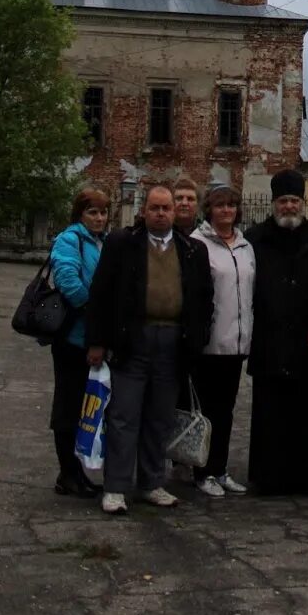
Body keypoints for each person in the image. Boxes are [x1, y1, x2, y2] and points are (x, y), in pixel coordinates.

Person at [85, 181, 213, 515]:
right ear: (144, 211)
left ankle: (152, 482)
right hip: (133, 341)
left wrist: (196, 342)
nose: (160, 213)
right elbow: (101, 294)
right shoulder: (122, 244)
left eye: (166, 208)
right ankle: (115, 487)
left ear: (176, 211)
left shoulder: (192, 250)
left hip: (173, 343)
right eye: (154, 208)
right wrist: (97, 342)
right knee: (124, 416)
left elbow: (203, 300)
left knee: (159, 417)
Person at [244, 169, 308, 496]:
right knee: (269, 411)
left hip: (307, 339)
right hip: (269, 336)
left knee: (305, 412)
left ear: (302, 203)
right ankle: (267, 477)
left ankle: (304, 478)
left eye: (294, 200)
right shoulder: (254, 239)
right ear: (274, 203)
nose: (289, 207)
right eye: (283, 201)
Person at [189, 182, 255, 498]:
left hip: (237, 343)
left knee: (227, 411)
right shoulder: (197, 243)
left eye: (230, 205)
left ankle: (220, 468)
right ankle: (202, 472)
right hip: (209, 342)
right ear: (210, 210)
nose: (225, 211)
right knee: (207, 410)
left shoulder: (244, 245)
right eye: (219, 205)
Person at [48, 184, 109, 497]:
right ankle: (67, 474)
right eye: (92, 212)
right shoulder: (70, 239)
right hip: (72, 337)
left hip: (94, 338)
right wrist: (95, 314)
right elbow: (68, 280)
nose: (98, 218)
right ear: (80, 214)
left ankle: (79, 472)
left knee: (89, 406)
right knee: (68, 405)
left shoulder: (102, 243)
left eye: (102, 212)